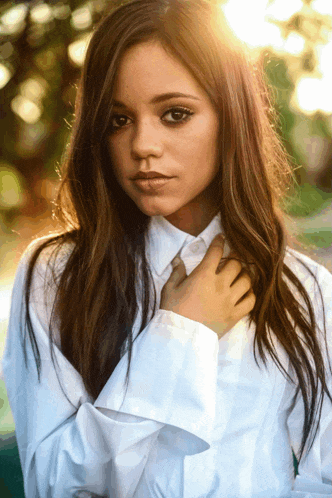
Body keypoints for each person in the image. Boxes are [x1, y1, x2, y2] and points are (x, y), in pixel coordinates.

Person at [2, 0, 332, 496]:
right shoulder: (57, 274)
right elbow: (53, 484)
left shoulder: (306, 290)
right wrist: (180, 333)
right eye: (117, 120)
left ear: (231, 118)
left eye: (175, 114)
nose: (142, 145)